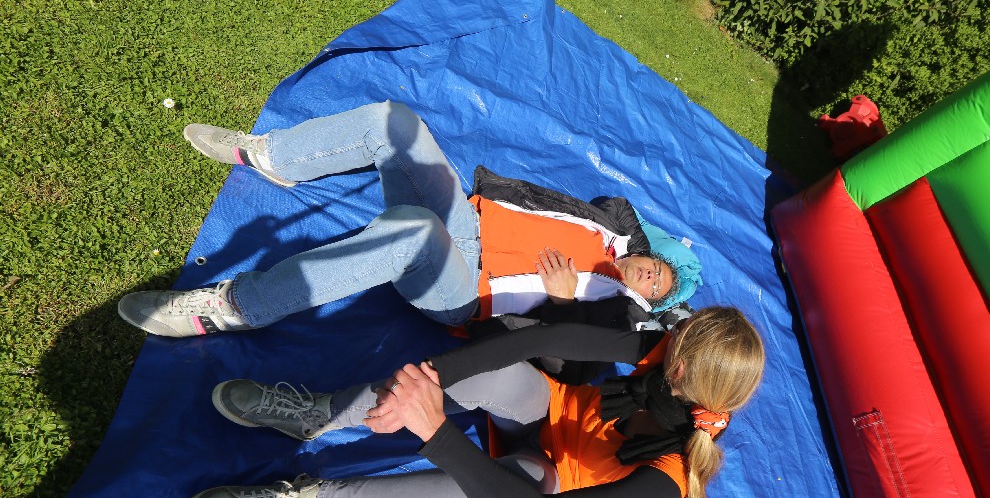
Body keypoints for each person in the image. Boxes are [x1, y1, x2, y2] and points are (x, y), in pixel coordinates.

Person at [182, 306, 765, 498]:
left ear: (688, 378)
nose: (667, 344)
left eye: (676, 351)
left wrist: (436, 432)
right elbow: (545, 339)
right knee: (501, 374)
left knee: (506, 487)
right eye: (675, 338)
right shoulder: (662, 352)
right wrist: (427, 382)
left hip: (547, 477)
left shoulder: (671, 474)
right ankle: (320, 414)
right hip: (548, 410)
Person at [117, 101, 702, 338]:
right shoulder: (610, 229)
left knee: (412, 233)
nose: (652, 276)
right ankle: (274, 157)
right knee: (395, 123)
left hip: (464, 291)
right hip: (468, 221)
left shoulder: (613, 317)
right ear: (648, 252)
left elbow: (580, 363)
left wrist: (563, 304)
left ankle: (236, 307)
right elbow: (628, 214)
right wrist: (648, 247)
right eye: (659, 267)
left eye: (658, 287)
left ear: (649, 302)